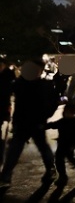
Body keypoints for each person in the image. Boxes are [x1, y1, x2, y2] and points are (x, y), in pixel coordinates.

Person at [0, 59, 60, 188]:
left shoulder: (43, 85)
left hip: (35, 122)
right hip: (24, 122)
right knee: (16, 150)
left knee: (39, 147)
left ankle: (50, 170)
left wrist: (45, 115)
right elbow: (6, 92)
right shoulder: (20, 83)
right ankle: (5, 176)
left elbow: (54, 102)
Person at [46, 102, 75, 184]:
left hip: (69, 144)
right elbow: (53, 125)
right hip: (63, 143)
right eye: (66, 111)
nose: (67, 113)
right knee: (67, 158)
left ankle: (63, 176)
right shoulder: (63, 121)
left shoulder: (74, 123)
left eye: (69, 112)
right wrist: (44, 126)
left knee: (60, 159)